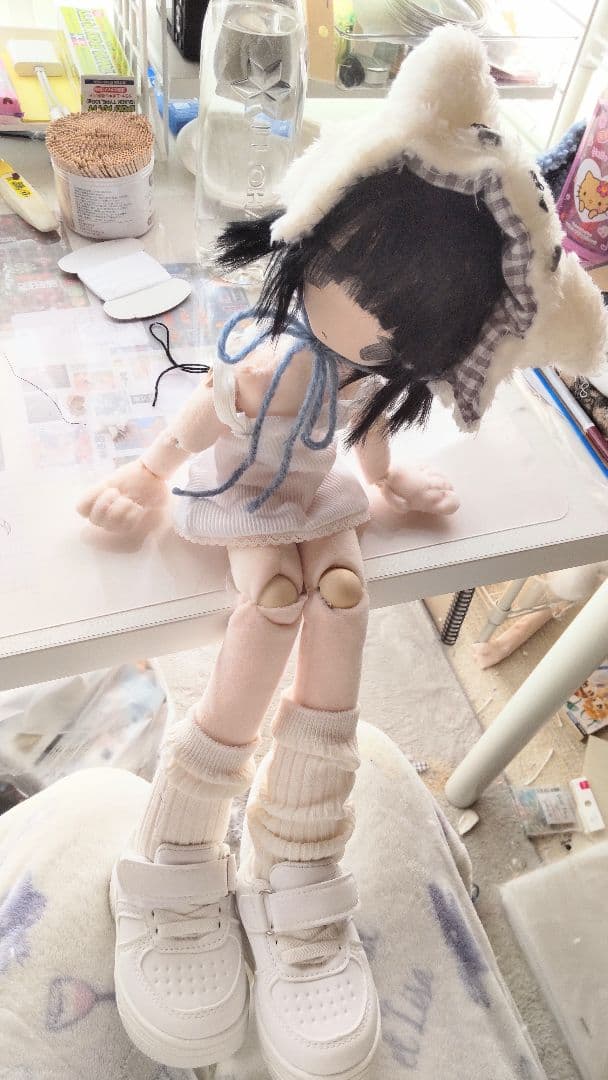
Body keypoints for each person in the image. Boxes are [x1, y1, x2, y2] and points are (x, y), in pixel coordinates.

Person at [77, 26, 607, 1080]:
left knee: (346, 594)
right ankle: (184, 826)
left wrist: (389, 484)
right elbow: (201, 419)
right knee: (272, 602)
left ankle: (298, 845)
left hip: (316, 496)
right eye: (360, 284)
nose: (369, 332)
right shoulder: (267, 362)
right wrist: (144, 473)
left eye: (406, 331)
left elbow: (364, 441)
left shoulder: (363, 380)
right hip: (246, 497)